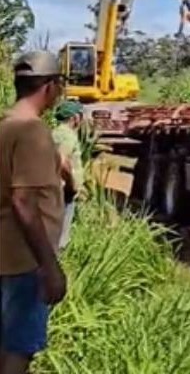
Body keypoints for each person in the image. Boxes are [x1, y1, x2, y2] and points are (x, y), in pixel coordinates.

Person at [0, 52, 67, 374]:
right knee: (19, 350)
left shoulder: (4, 126)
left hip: (4, 254)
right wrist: (49, 266)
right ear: (50, 87)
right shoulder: (32, 131)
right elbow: (23, 201)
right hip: (23, 259)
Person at [52, 101, 84, 250]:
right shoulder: (68, 136)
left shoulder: (54, 133)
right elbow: (63, 160)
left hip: (52, 190)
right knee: (60, 240)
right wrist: (71, 185)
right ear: (75, 117)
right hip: (64, 192)